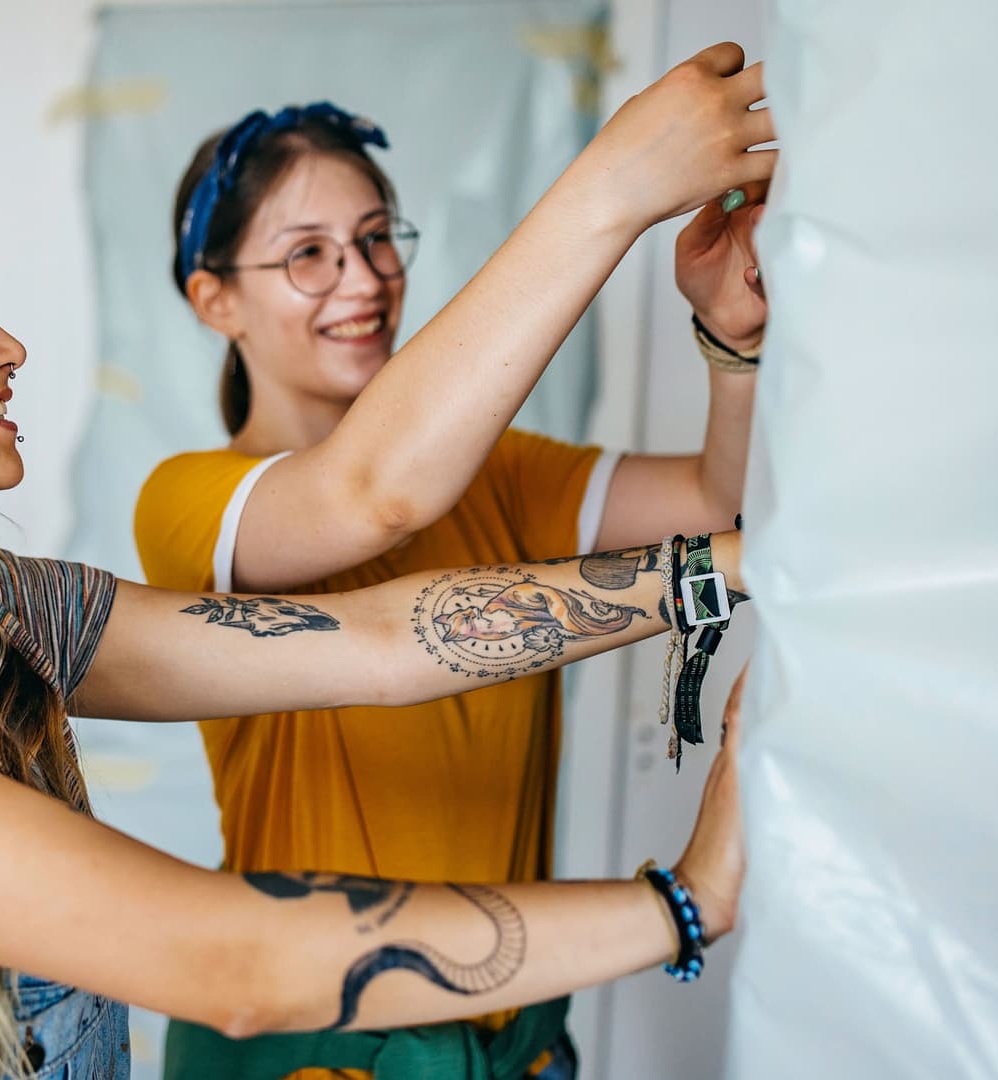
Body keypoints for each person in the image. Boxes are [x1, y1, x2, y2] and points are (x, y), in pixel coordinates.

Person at [0, 152, 755, 1077]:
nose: (9, 347)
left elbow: (382, 640)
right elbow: (230, 963)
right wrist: (684, 903)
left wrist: (723, 570)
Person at [135, 44, 771, 1080]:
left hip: (509, 1034)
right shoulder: (194, 502)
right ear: (215, 301)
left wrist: (728, 339)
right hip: (313, 1043)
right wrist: (612, 184)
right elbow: (373, 496)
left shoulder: (499, 474)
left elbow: (713, 504)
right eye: (308, 254)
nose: (364, 279)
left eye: (378, 237)